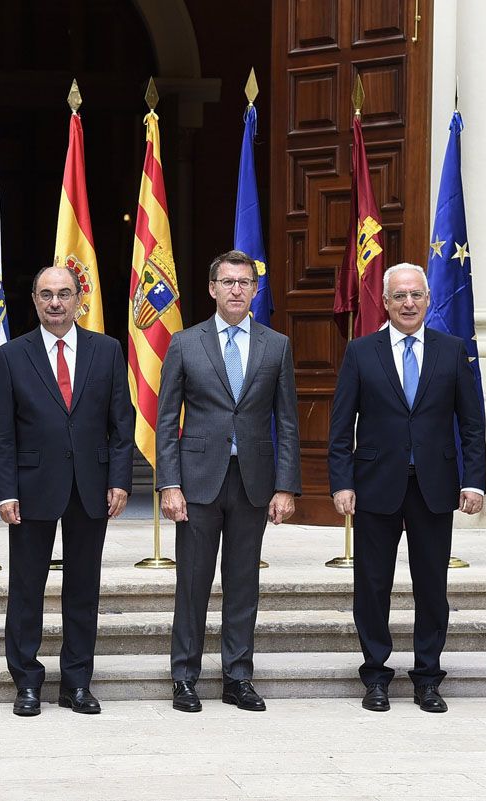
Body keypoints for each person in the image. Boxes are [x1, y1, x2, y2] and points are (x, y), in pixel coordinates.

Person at [328, 263, 486, 715]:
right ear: (386, 300)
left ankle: (427, 678)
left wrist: (474, 481)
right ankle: (376, 676)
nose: (408, 303)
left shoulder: (452, 350)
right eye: (399, 296)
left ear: (429, 299)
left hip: (435, 488)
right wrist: (342, 482)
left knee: (432, 587)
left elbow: (472, 424)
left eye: (416, 294)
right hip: (375, 487)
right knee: (371, 586)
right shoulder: (361, 351)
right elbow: (342, 427)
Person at [156, 249, 301, 713]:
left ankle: (238, 677)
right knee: (193, 584)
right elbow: (164, 421)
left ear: (255, 290)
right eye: (228, 282)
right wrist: (168, 483)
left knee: (243, 584)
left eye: (245, 282)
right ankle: (185, 677)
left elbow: (288, 422)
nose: (237, 289)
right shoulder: (185, 342)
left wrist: (286, 485)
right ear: (213, 289)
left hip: (253, 481)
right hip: (197, 481)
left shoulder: (275, 345)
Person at [0, 266, 134, 716]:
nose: (56, 303)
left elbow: (121, 424)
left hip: (91, 487)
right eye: (46, 295)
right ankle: (27, 683)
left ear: (79, 300)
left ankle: (76, 683)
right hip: (32, 488)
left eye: (64, 294)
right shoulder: (12, 355)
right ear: (33, 300)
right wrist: (5, 490)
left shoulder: (107, 351)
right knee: (27, 587)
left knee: (83, 589)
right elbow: (3, 433)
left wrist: (119, 480)